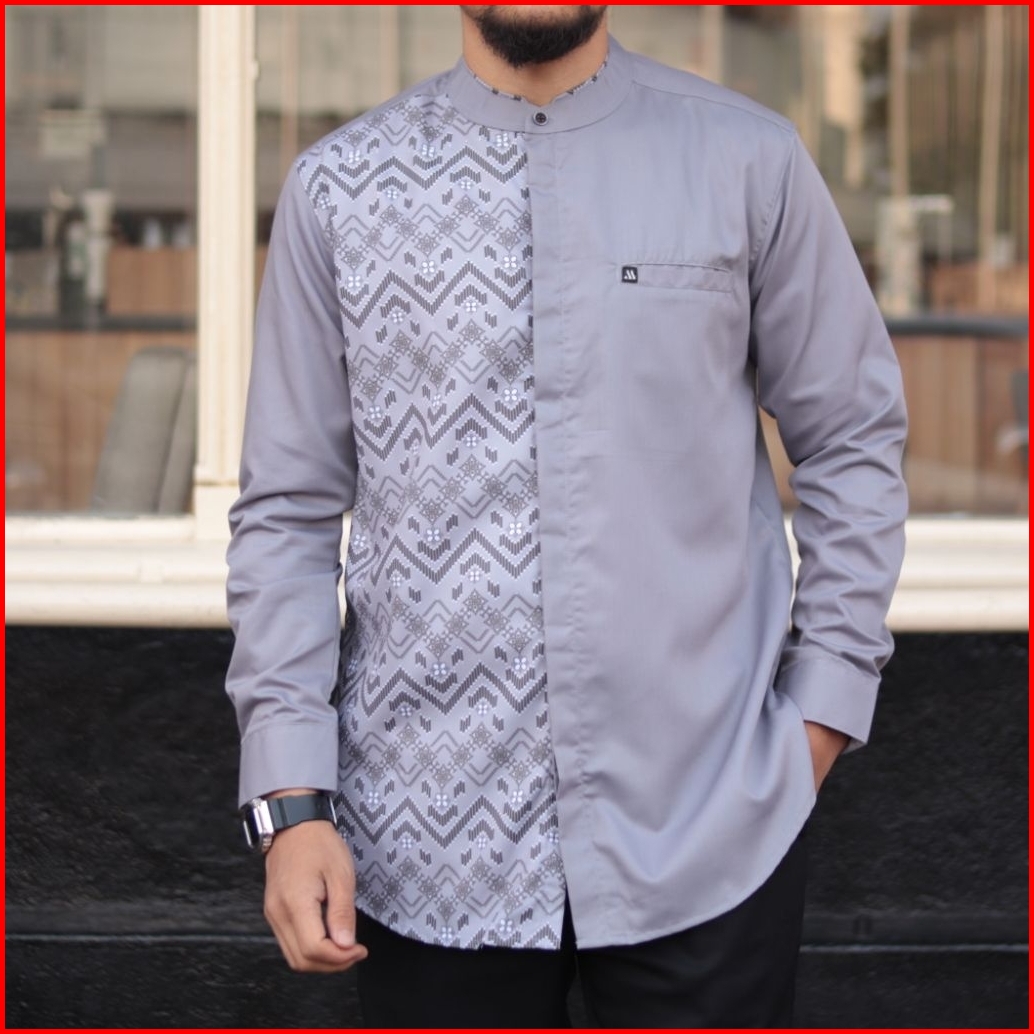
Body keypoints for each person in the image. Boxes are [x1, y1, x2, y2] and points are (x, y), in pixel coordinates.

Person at [225, 6, 908, 1028]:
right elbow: (287, 512)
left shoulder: (746, 161)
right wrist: (292, 804)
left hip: (710, 821)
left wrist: (819, 713)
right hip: (423, 841)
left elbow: (852, 437)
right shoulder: (339, 189)